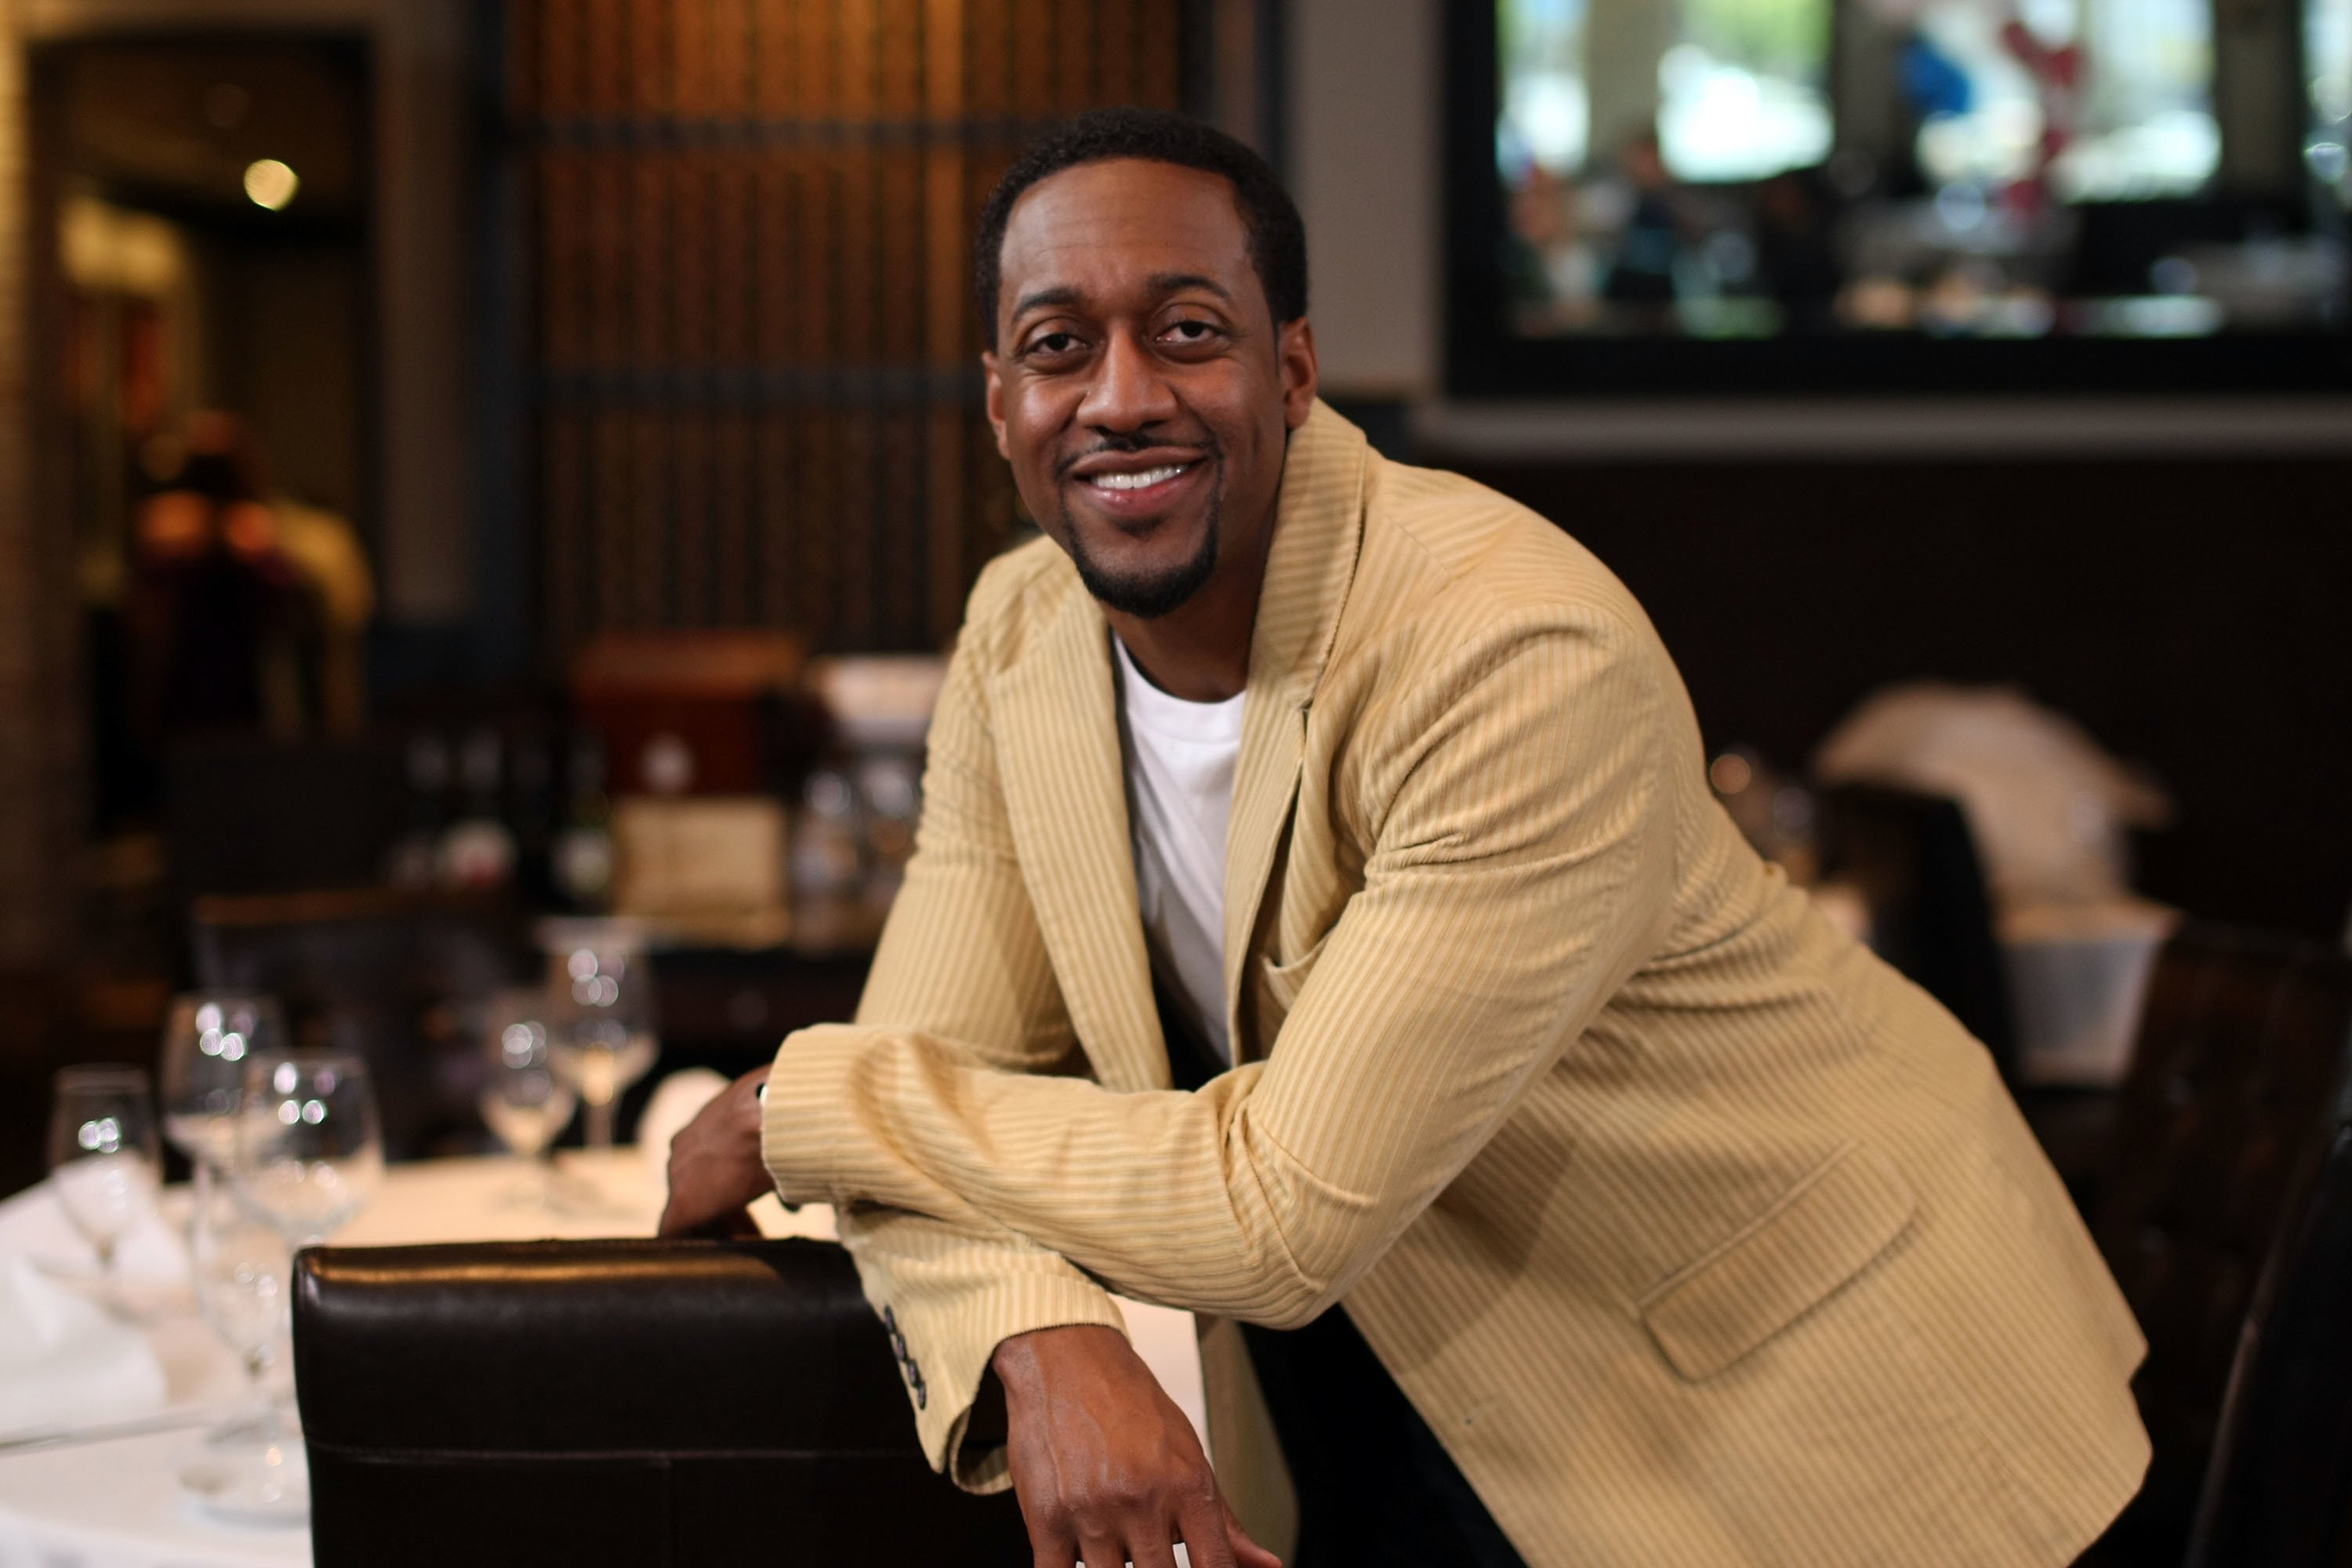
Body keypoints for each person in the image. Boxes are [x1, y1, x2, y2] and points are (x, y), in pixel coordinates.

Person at [662, 108, 2149, 1568]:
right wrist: (1035, 1329)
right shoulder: (1019, 641)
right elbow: (935, 1094)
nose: (1120, 396)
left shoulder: (1505, 646)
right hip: (1405, 1396)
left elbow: (1275, 1210)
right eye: (1060, 346)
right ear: (1001, 405)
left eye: (1187, 331)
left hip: (1818, 1416)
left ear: (1292, 369)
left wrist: (806, 1103)